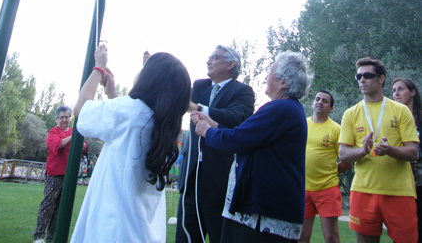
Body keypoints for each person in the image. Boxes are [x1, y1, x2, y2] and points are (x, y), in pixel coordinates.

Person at [70, 43, 191, 243]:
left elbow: (80, 112)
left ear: (150, 80)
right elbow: (132, 123)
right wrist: (112, 95)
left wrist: (99, 67)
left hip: (113, 230)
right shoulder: (163, 124)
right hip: (141, 233)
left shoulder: (128, 111)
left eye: (145, 70)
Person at [192, 50, 313, 243]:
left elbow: (237, 140)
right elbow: (248, 137)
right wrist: (213, 124)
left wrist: (207, 131)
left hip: (263, 215)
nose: (266, 77)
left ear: (283, 82)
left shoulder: (279, 109)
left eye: (271, 73)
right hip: (270, 210)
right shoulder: (290, 109)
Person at [175, 45, 255, 243]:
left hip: (220, 181)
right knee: (185, 237)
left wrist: (198, 108)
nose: (208, 61)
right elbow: (176, 95)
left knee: (221, 237)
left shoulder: (243, 92)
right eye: (209, 57)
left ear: (230, 64)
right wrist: (152, 68)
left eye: (214, 57)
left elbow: (236, 118)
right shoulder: (200, 86)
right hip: (191, 178)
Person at [338, 57, 419, 243]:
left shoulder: (401, 110)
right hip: (363, 191)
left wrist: (389, 150)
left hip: (399, 192)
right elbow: (343, 154)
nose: (362, 80)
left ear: (381, 79)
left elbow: (413, 152)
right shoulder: (350, 113)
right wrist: (362, 151)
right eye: (358, 76)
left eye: (367, 75)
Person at [299, 90, 352, 243]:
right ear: (312, 103)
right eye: (317, 99)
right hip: (303, 188)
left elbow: (347, 163)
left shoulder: (337, 130)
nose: (320, 102)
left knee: (331, 237)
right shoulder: (302, 124)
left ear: (331, 108)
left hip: (327, 189)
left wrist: (328, 171)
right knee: (301, 237)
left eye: (325, 101)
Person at [33, 105, 88, 243]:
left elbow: (84, 147)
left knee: (60, 207)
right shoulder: (54, 131)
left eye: (67, 117)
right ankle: (39, 236)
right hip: (54, 174)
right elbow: (57, 145)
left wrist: (81, 143)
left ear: (70, 118)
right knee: (48, 204)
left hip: (68, 175)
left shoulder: (73, 131)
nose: (64, 120)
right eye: (61, 117)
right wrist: (73, 136)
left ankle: (52, 236)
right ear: (57, 119)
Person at [392, 77, 422, 243]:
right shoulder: (392, 121)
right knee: (404, 231)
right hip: (400, 183)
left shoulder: (420, 120)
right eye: (394, 90)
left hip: (419, 184)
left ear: (412, 92)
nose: (396, 93)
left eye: (401, 89)